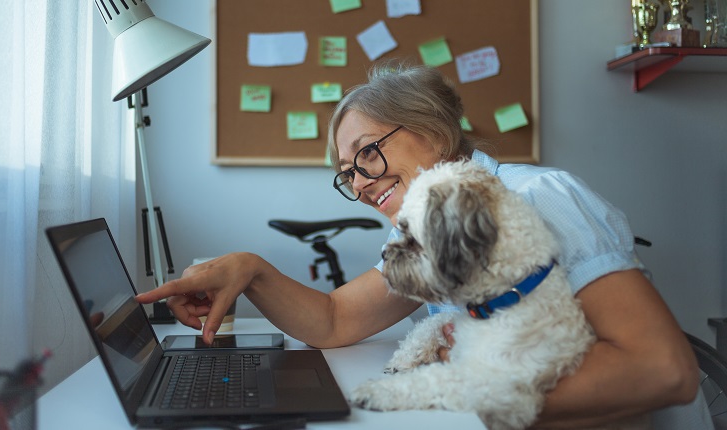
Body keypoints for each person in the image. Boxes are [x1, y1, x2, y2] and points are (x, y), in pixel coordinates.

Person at [136, 60, 709, 428]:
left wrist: (459, 391)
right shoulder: (426, 228)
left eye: (367, 154)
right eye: (347, 173)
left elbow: (662, 370)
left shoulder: (537, 195)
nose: (359, 182)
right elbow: (336, 319)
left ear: (433, 133)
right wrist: (250, 268)